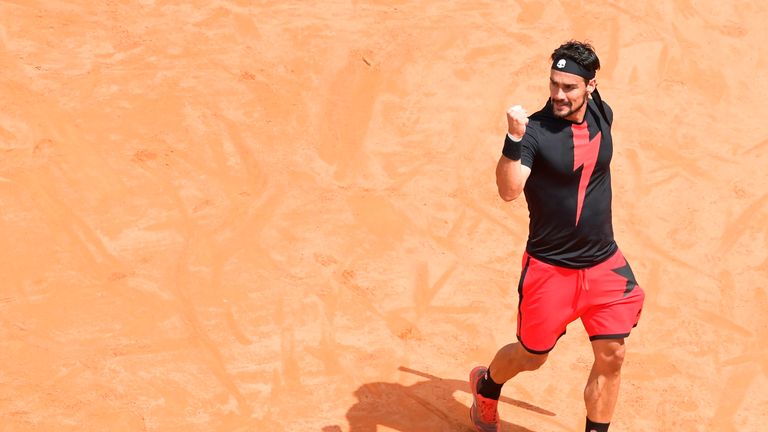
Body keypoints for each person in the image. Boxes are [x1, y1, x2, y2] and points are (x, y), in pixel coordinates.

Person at [469, 41, 645, 432]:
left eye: (569, 87)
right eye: (554, 85)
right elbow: (510, 189)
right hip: (550, 270)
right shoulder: (536, 133)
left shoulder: (602, 112)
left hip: (604, 265)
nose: (559, 95)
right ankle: (487, 384)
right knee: (532, 356)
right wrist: (513, 139)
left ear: (591, 87)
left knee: (612, 354)